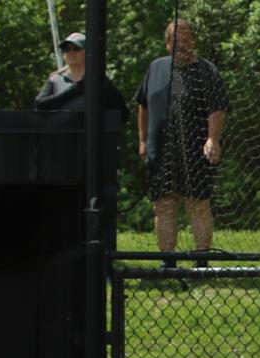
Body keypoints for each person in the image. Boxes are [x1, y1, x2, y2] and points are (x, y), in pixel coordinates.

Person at [135, 18, 230, 257]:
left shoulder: (206, 70)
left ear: (193, 40)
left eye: (186, 38)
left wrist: (213, 139)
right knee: (164, 205)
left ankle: (201, 262)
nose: (181, 44)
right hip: (162, 151)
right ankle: (168, 262)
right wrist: (143, 141)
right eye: (176, 39)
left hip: (195, 150)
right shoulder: (156, 67)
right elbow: (143, 105)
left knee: (198, 204)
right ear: (167, 44)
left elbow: (217, 108)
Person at [33, 32, 126, 114]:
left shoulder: (98, 80)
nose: (71, 52)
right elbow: (40, 105)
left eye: (76, 48)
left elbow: (123, 113)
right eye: (67, 49)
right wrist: (74, 90)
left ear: (88, 52)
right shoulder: (54, 80)